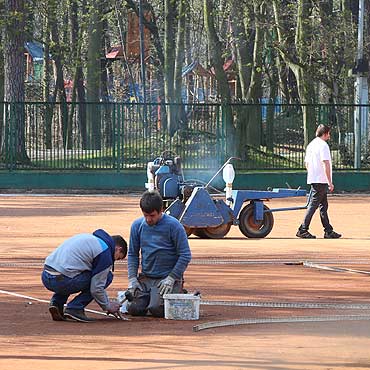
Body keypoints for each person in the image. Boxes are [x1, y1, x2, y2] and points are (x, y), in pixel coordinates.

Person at [127, 191, 191, 318]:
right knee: (133, 308)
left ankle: (177, 290)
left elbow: (185, 255)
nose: (148, 219)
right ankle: (152, 295)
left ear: (161, 210)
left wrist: (172, 278)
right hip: (147, 278)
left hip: (165, 279)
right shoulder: (137, 225)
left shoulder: (174, 226)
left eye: (152, 215)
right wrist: (132, 279)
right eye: (145, 215)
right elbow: (133, 254)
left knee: (156, 309)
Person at [41, 229, 127, 322]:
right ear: (118, 249)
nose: (114, 261)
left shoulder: (90, 239)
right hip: (62, 281)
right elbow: (97, 288)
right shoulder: (105, 253)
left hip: (46, 276)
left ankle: (57, 303)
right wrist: (108, 306)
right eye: (118, 257)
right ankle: (75, 308)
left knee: (73, 270)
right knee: (107, 277)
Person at [296, 124, 342, 239]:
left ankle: (328, 230)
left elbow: (306, 163)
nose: (329, 136)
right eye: (329, 133)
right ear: (325, 133)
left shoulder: (311, 145)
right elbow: (325, 163)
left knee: (323, 206)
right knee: (313, 205)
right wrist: (329, 182)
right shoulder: (323, 146)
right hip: (321, 180)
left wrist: (312, 174)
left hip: (315, 179)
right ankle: (303, 229)